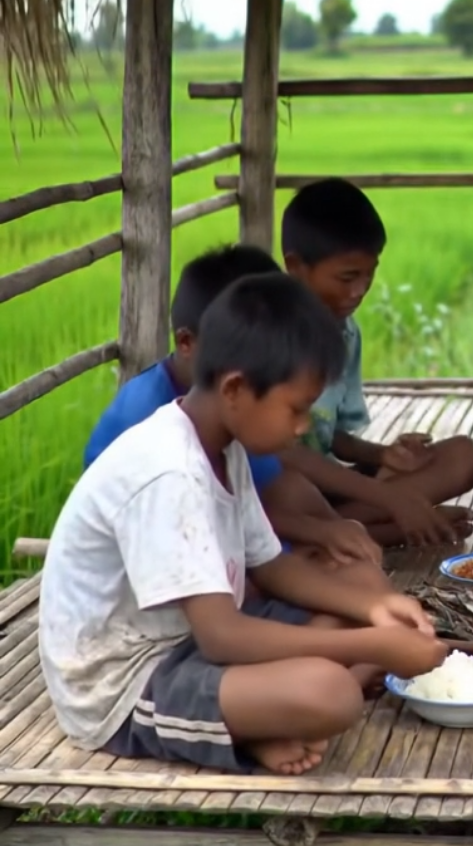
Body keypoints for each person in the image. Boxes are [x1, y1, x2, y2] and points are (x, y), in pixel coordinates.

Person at [40, 272, 445, 776]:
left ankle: (265, 717)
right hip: (129, 680)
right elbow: (223, 639)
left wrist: (376, 606)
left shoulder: (222, 444)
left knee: (365, 587)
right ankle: (261, 724)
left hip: (193, 640)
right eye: (296, 410)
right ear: (235, 388)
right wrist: (370, 644)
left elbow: (271, 565)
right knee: (332, 692)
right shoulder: (170, 471)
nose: (302, 429)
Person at [85, 245, 381, 569]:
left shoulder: (230, 424)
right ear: (188, 342)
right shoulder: (149, 421)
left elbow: (259, 498)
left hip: (220, 539)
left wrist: (328, 533)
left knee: (298, 495)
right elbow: (186, 546)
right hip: (154, 562)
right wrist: (319, 535)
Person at [279, 178, 473, 547]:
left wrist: (385, 455)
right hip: (278, 488)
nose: (359, 291)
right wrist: (389, 498)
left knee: (464, 456)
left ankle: (349, 527)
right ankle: (375, 527)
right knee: (291, 493)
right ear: (296, 266)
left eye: (368, 275)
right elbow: (283, 452)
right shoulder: (269, 335)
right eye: (347, 277)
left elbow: (328, 434)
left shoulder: (346, 333)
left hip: (331, 487)